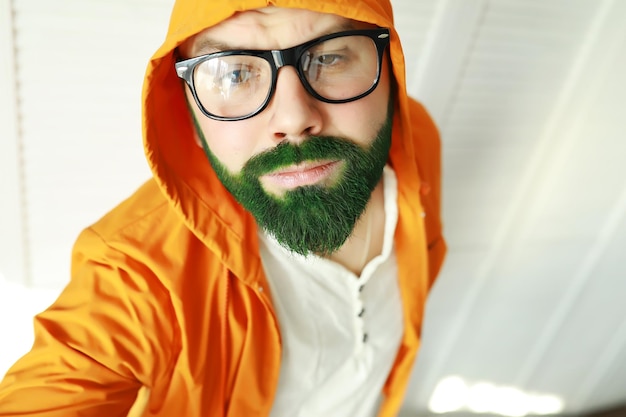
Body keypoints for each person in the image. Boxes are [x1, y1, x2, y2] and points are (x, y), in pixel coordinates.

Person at [0, 0, 445, 415]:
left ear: (390, 74)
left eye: (330, 57)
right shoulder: (137, 273)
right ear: (190, 116)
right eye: (233, 74)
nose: (292, 119)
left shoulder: (417, 143)